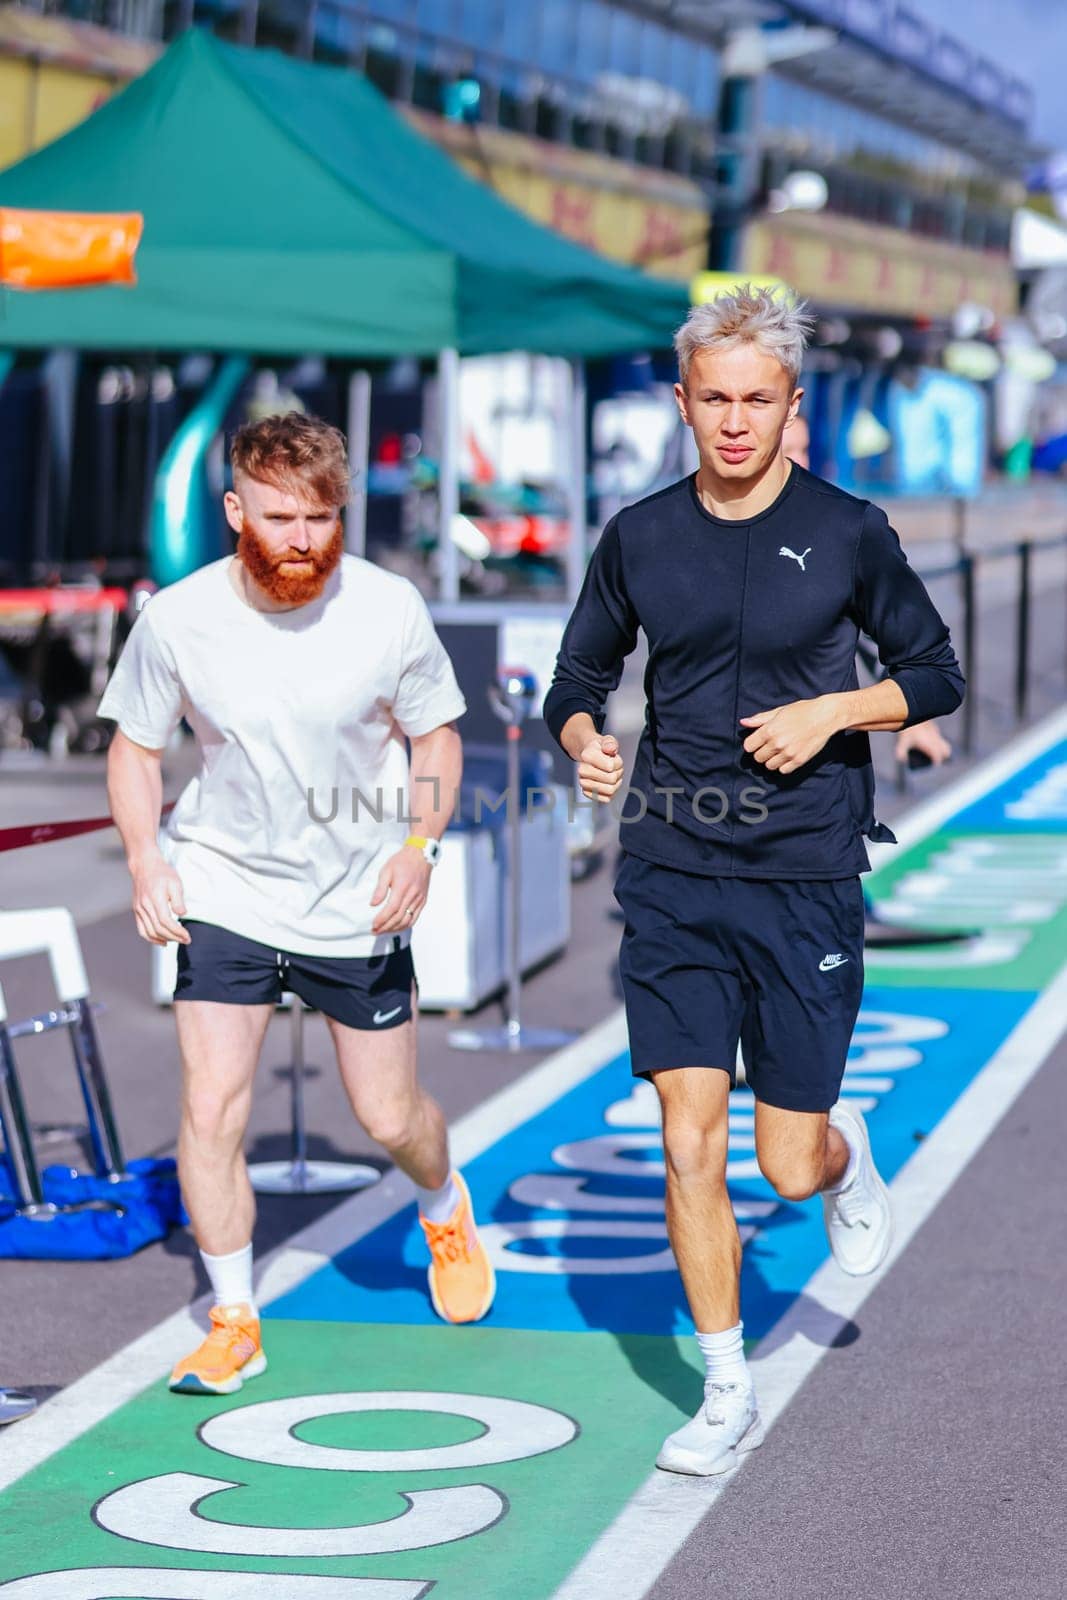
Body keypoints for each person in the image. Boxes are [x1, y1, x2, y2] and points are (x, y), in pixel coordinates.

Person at [545, 285, 963, 1476]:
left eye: (756, 401)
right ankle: (723, 1386)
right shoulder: (636, 534)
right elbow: (572, 680)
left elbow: (931, 674)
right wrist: (587, 743)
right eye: (712, 400)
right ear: (681, 403)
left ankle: (845, 1149)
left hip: (803, 872)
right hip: (672, 866)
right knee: (686, 1138)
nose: (733, 423)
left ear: (792, 408)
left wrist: (836, 708)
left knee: (782, 1163)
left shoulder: (847, 531)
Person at [99, 412, 494, 1397]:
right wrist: (147, 857)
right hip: (224, 887)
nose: (304, 540)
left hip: (355, 898)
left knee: (389, 1114)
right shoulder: (178, 617)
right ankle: (234, 1313)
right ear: (235, 509)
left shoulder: (387, 608)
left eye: (322, 517)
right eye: (280, 517)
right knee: (210, 1107)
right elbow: (134, 747)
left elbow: (437, 738)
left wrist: (418, 845)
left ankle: (442, 1201)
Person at [785, 412, 954, 773]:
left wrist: (914, 719)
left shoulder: (837, 527)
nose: (800, 463)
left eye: (804, 450)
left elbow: (872, 641)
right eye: (787, 451)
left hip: (812, 776)